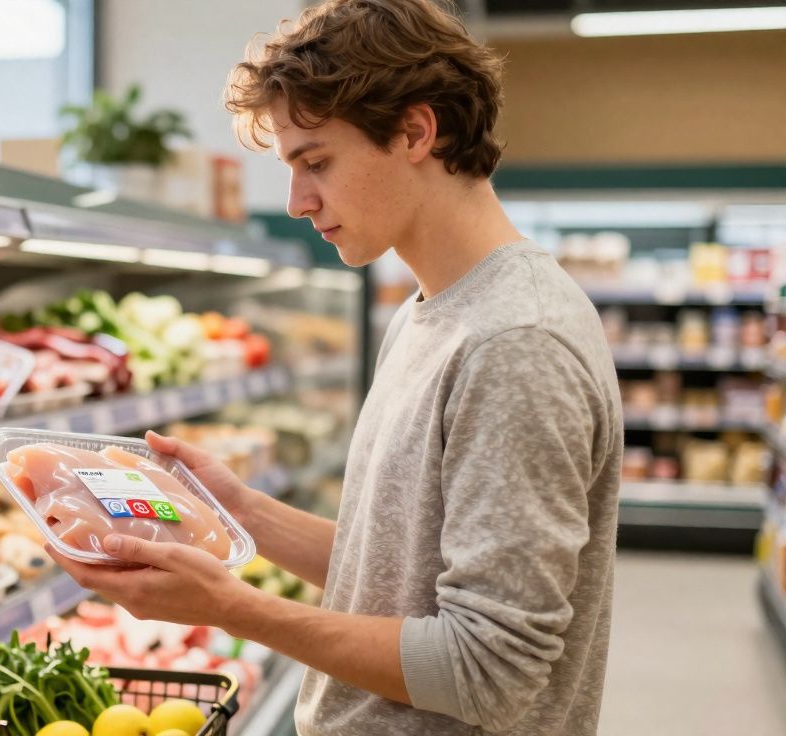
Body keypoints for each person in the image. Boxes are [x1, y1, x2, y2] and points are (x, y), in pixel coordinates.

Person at [48, 1, 623, 734]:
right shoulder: (429, 312)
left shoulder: (514, 342)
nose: (295, 201)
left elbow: (488, 669)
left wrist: (233, 608)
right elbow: (390, 573)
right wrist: (237, 512)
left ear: (416, 131)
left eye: (315, 161)